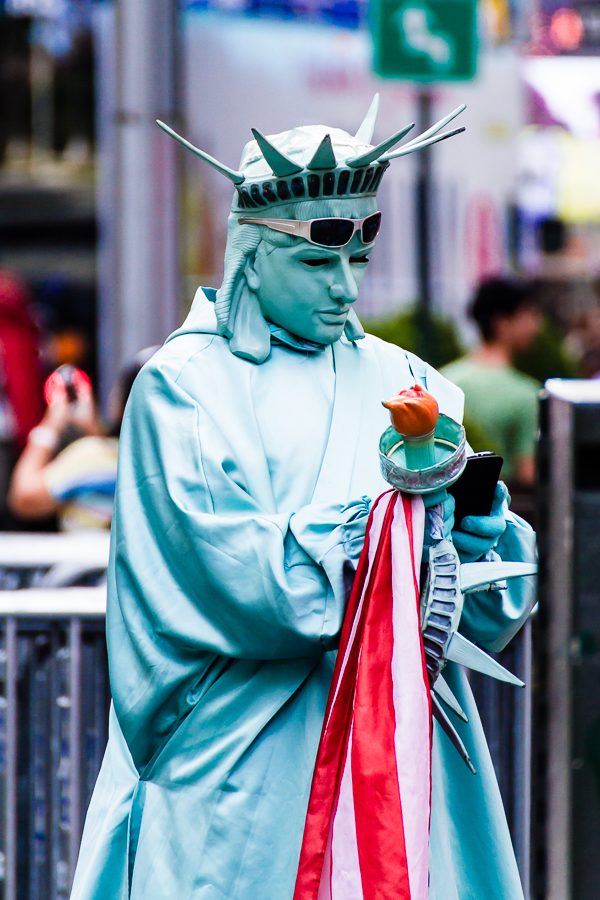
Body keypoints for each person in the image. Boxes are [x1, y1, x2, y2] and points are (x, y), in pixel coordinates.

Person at [71, 101, 535, 899]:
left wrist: (481, 538)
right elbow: (242, 581)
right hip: (244, 788)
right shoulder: (182, 389)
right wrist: (388, 539)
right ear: (252, 253)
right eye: (320, 264)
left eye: (359, 257)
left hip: (398, 778)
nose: (347, 288)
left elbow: (488, 609)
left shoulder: (410, 379)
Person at [8, 348, 157, 531]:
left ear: (123, 401)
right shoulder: (170, 462)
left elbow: (23, 498)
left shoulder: (92, 457)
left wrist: (51, 425)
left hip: (87, 559)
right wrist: (93, 428)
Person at [442, 277, 542, 489]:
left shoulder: (443, 380)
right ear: (502, 322)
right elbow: (528, 474)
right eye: (529, 315)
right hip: (501, 508)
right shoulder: (527, 394)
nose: (535, 327)